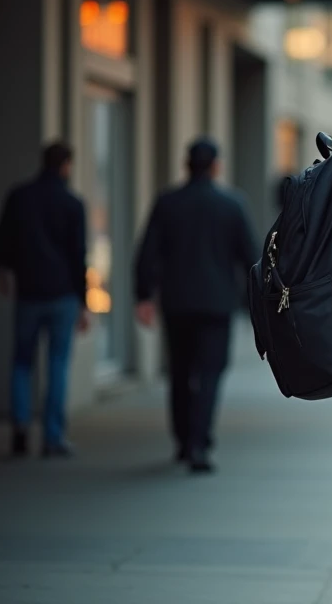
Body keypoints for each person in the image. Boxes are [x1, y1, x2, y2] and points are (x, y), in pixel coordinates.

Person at [134, 138, 258, 473]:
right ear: (216, 166)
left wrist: (143, 295)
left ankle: (183, 439)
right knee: (210, 374)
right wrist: (258, 302)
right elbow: (251, 257)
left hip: (177, 303)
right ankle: (199, 444)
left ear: (186, 165)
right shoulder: (231, 204)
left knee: (180, 372)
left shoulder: (168, 203)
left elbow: (147, 251)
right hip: (217, 305)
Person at [0, 142, 89, 458]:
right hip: (62, 294)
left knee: (22, 362)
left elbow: (3, 240)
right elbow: (78, 256)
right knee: (58, 364)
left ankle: (20, 429)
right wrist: (84, 301)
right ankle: (52, 436)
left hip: (29, 292)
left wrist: (3, 273)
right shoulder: (72, 203)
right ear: (66, 165)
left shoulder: (20, 197)